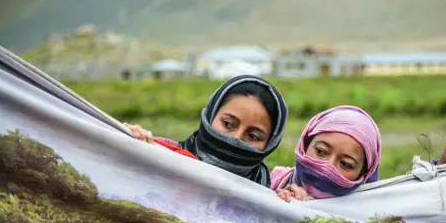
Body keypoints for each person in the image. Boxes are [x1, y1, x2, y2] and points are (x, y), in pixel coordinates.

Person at [125, 75, 288, 188]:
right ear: (211, 116)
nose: (236, 139)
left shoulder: (268, 193)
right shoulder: (162, 158)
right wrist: (124, 143)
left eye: (253, 136)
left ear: (269, 144)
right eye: (228, 124)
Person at [271, 105, 381, 202]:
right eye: (320, 151)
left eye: (345, 164)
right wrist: (277, 202)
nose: (328, 166)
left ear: (363, 174)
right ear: (305, 145)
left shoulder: (369, 217)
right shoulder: (271, 182)